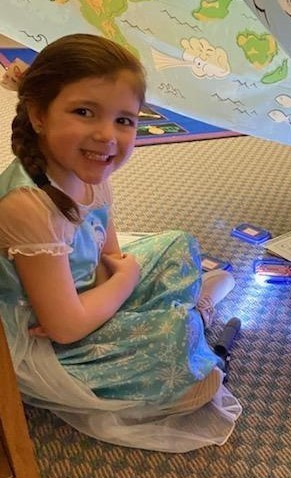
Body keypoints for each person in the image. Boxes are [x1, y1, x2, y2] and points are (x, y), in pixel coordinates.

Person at [0, 33, 241, 452]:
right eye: (84, 112)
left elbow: (110, 252)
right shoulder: (27, 206)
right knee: (174, 340)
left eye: (124, 120)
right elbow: (64, 326)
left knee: (178, 243)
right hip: (42, 338)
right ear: (38, 114)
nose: (106, 135)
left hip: (79, 295)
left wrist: (116, 276)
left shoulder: (89, 172)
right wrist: (126, 280)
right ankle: (196, 315)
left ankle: (192, 316)